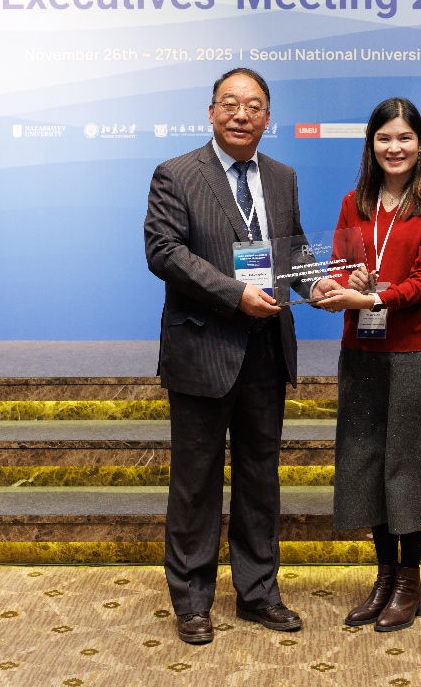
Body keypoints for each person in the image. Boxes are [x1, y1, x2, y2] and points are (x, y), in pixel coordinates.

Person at [144, 68, 313, 644]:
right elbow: (164, 251)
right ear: (212, 111)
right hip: (203, 346)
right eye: (231, 103)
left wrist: (321, 282)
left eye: (254, 105)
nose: (242, 114)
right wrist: (233, 293)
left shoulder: (283, 177)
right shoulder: (176, 174)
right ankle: (192, 600)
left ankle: (258, 592)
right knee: (195, 481)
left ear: (268, 117)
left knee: (260, 477)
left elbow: (294, 250)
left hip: (266, 348)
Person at [311, 97, 421, 632]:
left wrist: (371, 298)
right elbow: (342, 267)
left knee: (409, 464)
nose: (394, 148)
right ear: (370, 144)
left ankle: (409, 580)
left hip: (416, 351)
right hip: (362, 351)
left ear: (420, 144)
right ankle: (384, 576)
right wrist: (339, 285)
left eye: (404, 138)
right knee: (368, 461)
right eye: (384, 138)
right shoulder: (355, 202)